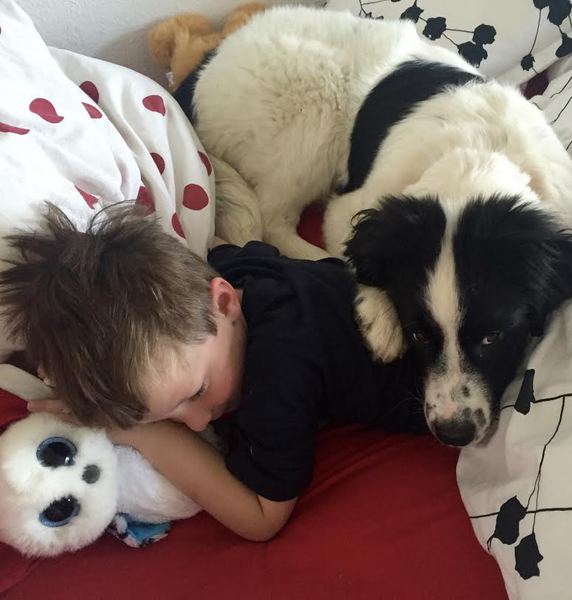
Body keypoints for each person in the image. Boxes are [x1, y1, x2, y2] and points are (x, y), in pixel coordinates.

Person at [0, 203, 426, 542]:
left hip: (436, 392)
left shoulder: (277, 373)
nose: (197, 422)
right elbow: (222, 246)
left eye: (195, 392)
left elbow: (261, 519)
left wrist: (143, 433)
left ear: (223, 302)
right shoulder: (234, 274)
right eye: (166, 417)